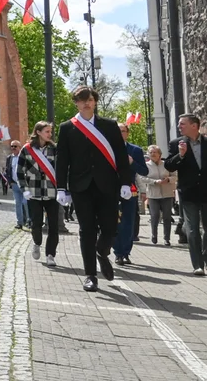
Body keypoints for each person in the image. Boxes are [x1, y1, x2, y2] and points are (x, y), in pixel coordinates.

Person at [55, 86, 132, 292]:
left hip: (107, 185)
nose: (86, 103)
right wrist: (61, 188)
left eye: (89, 99)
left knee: (110, 228)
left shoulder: (109, 125)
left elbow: (120, 155)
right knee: (86, 230)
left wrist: (125, 181)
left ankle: (102, 252)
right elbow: (62, 160)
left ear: (95, 101)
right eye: (81, 100)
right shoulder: (67, 127)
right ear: (76, 103)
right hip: (81, 186)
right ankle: (90, 275)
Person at [164, 113, 207, 275]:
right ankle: (197, 264)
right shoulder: (176, 144)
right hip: (189, 193)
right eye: (179, 124)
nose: (179, 127)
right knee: (192, 230)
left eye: (182, 124)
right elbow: (169, 166)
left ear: (194, 125)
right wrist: (181, 155)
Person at [18, 122, 60, 267]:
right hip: (34, 193)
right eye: (47, 131)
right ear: (38, 132)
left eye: (50, 131)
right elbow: (19, 171)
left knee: (54, 226)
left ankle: (50, 255)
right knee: (36, 224)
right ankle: (37, 243)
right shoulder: (27, 149)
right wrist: (24, 189)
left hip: (51, 193)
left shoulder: (55, 149)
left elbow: (60, 170)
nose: (50, 134)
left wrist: (62, 190)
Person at [113, 123, 149, 265]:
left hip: (130, 189)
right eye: (118, 131)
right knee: (115, 221)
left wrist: (132, 162)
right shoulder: (108, 148)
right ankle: (117, 251)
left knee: (128, 222)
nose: (120, 134)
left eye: (123, 131)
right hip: (112, 190)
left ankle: (126, 252)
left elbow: (144, 171)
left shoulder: (135, 150)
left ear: (127, 133)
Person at [143, 144, 175, 246]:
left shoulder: (166, 164)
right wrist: (155, 182)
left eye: (155, 152)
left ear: (159, 154)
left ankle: (167, 238)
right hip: (153, 195)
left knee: (167, 216)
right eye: (151, 152)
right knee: (155, 216)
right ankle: (154, 235)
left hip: (167, 194)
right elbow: (142, 178)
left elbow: (175, 176)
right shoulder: (146, 165)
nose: (152, 154)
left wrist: (168, 179)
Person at [5, 140, 27, 229]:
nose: (13, 148)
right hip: (14, 184)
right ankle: (20, 222)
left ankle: (29, 221)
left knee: (25, 203)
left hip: (24, 184)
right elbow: (8, 170)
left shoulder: (24, 157)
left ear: (20, 147)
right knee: (18, 204)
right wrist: (9, 181)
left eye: (15, 146)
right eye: (12, 146)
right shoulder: (9, 158)